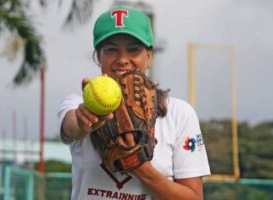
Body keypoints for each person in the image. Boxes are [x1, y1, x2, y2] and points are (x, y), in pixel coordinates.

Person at [58, 6, 210, 200]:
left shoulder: (179, 114)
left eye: (133, 50)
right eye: (112, 50)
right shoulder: (78, 104)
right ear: (98, 56)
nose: (122, 59)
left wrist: (138, 165)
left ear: (149, 55)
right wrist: (83, 122)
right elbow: (72, 126)